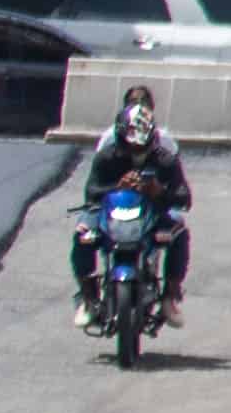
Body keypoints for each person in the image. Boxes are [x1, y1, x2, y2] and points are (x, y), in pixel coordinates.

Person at [77, 88, 193, 326]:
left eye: (142, 148)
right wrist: (116, 187)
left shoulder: (165, 158)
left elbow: (184, 196)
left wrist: (159, 191)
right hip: (110, 212)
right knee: (82, 234)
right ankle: (88, 297)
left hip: (152, 213)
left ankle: (170, 296)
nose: (136, 153)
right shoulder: (106, 156)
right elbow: (91, 192)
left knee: (179, 232)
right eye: (131, 147)